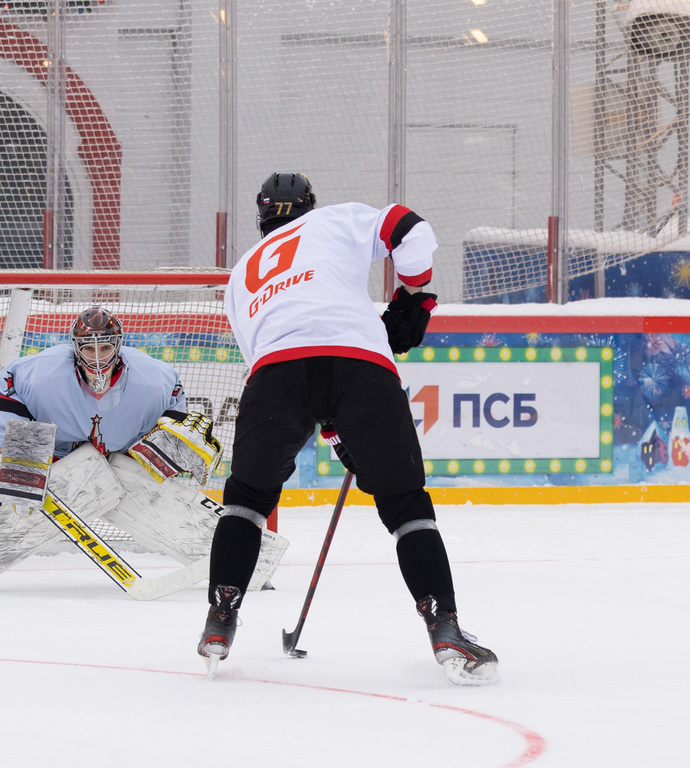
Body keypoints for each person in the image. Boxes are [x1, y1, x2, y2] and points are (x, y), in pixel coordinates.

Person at [197, 172, 499, 685]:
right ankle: (443, 626)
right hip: (360, 364)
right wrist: (412, 290)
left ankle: (219, 620)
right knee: (405, 503)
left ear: (262, 217)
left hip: (276, 372)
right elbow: (410, 228)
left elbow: (283, 367)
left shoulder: (243, 272)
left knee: (247, 498)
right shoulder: (335, 219)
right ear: (309, 206)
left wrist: (333, 429)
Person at [0, 306, 287, 595]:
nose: (97, 356)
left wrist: (168, 453)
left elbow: (175, 417)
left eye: (106, 346)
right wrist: (26, 458)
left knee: (166, 502)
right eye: (89, 347)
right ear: (75, 347)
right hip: (57, 453)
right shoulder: (37, 371)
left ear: (119, 345)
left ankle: (248, 567)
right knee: (23, 501)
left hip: (125, 454)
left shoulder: (154, 376)